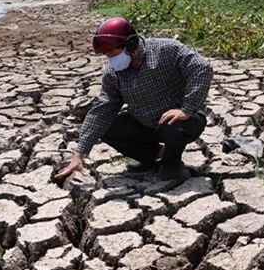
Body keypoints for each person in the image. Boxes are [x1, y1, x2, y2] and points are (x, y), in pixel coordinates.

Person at [55, 17, 213, 181]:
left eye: (113, 53)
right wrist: (79, 153)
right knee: (108, 126)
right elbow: (102, 110)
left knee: (171, 125)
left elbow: (202, 68)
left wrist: (186, 109)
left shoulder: (166, 50)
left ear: (131, 45)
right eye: (107, 55)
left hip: (184, 120)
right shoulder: (113, 73)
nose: (111, 59)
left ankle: (172, 165)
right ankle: (152, 157)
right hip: (146, 123)